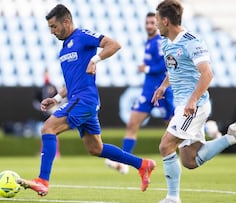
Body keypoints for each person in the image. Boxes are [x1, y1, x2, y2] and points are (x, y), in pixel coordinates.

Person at [17, 4, 156, 197]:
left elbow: (114, 44)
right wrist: (56, 98)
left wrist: (95, 60)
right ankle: (142, 164)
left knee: (48, 128)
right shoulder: (64, 48)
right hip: (78, 99)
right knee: (95, 148)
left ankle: (42, 181)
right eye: (49, 28)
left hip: (84, 100)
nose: (51, 32)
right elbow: (71, 82)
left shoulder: (82, 36)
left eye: (54, 27)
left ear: (66, 22)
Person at [151, 1, 236, 202]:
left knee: (165, 146)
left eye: (157, 20)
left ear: (166, 21)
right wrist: (163, 86)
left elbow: (207, 74)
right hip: (183, 104)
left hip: (193, 105)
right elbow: (174, 68)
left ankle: (172, 198)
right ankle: (232, 137)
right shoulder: (167, 41)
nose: (155, 24)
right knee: (190, 161)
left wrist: (192, 100)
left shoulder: (192, 41)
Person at [105, 12, 174, 174]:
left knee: (174, 129)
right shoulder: (149, 42)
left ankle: (207, 129)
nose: (149, 25)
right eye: (147, 23)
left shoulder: (159, 42)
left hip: (161, 92)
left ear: (157, 24)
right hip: (147, 92)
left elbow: (167, 65)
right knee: (132, 124)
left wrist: (147, 68)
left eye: (152, 22)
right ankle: (125, 163)